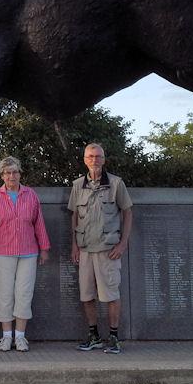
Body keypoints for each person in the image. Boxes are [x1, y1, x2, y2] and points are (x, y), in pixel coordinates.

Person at [69, 142, 133, 354]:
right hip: (85, 248)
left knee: (111, 294)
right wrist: (74, 245)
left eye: (98, 156)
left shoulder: (116, 183)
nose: (94, 160)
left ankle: (113, 337)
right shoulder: (78, 185)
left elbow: (128, 212)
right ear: (84, 160)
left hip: (108, 249)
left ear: (104, 159)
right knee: (87, 295)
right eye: (90, 156)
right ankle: (94, 336)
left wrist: (123, 244)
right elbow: (74, 215)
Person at [0, 156, 50, 352]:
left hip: (29, 252)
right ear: (2, 176)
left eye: (15, 172)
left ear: (20, 173)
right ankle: (6, 337)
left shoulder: (31, 195)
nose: (11, 176)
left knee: (24, 294)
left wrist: (44, 248)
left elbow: (39, 223)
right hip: (3, 253)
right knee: (5, 294)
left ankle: (20, 337)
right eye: (7, 173)